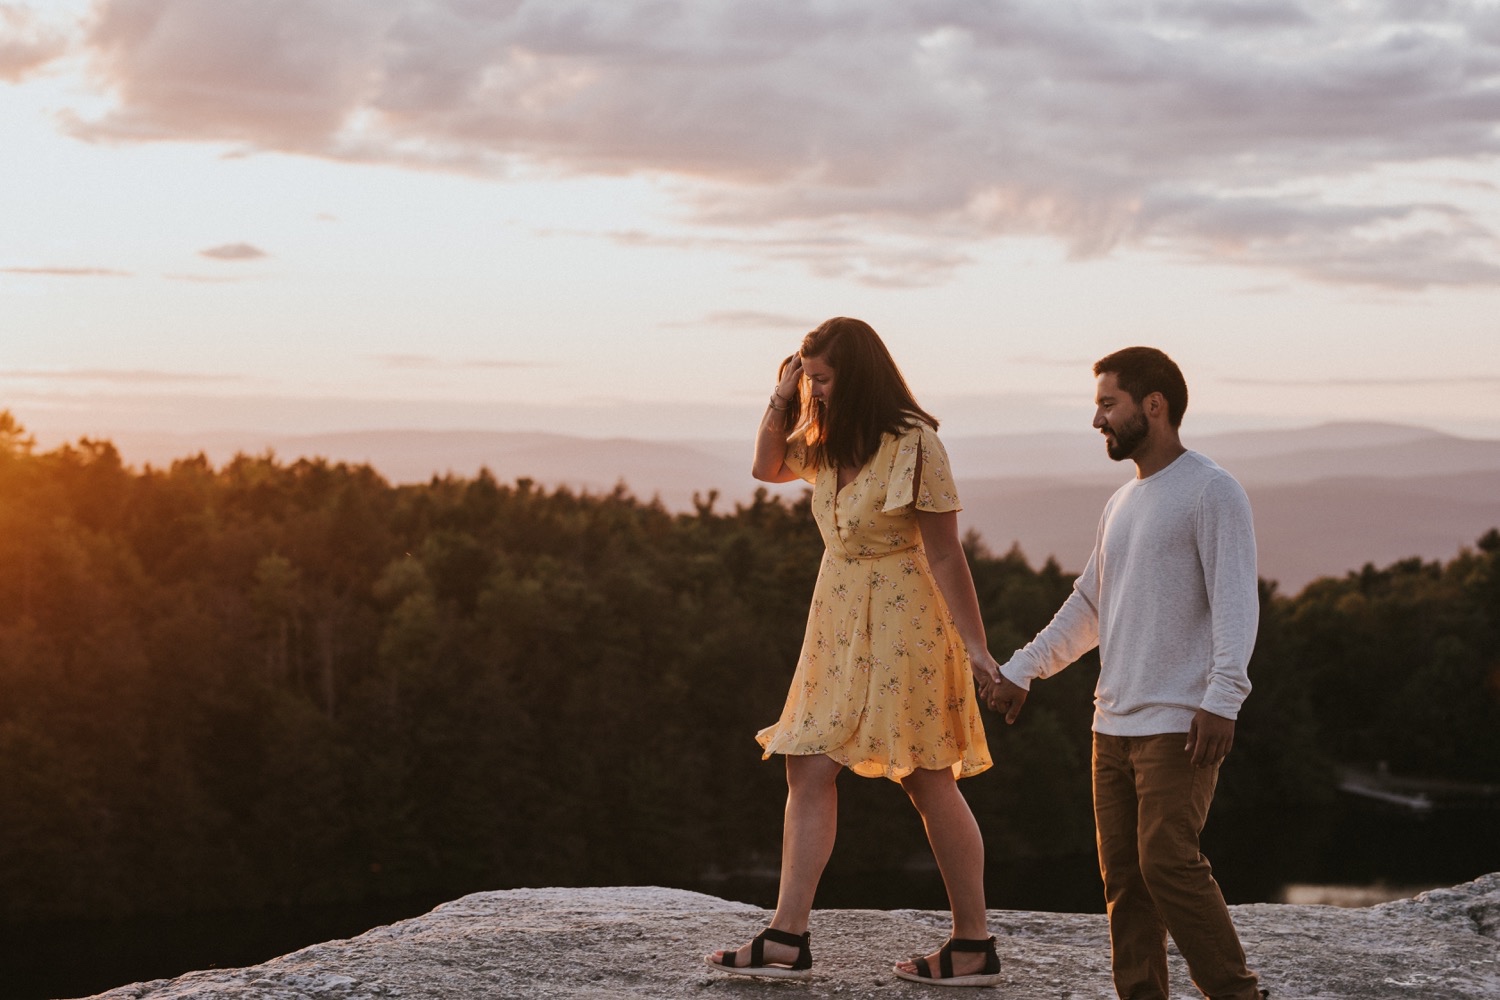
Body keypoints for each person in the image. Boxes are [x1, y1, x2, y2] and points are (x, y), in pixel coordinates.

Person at [704, 317, 1004, 988]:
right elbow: (766, 465)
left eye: (824, 378)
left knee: (927, 775)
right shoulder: (827, 437)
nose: (816, 389)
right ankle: (787, 936)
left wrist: (977, 648)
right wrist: (783, 399)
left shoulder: (917, 445)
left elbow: (946, 551)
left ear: (858, 376)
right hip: (837, 618)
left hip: (906, 621)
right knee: (807, 766)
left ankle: (974, 944)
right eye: (809, 377)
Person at [984, 347, 1267, 1000]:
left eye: (1108, 404)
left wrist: (1224, 698)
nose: (1097, 421)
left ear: (1154, 406)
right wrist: (1024, 669)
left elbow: (1234, 601)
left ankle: (1237, 993)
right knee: (1124, 882)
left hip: (1180, 722)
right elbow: (1090, 605)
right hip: (1110, 724)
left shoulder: (1211, 490)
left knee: (1166, 863)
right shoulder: (1122, 503)